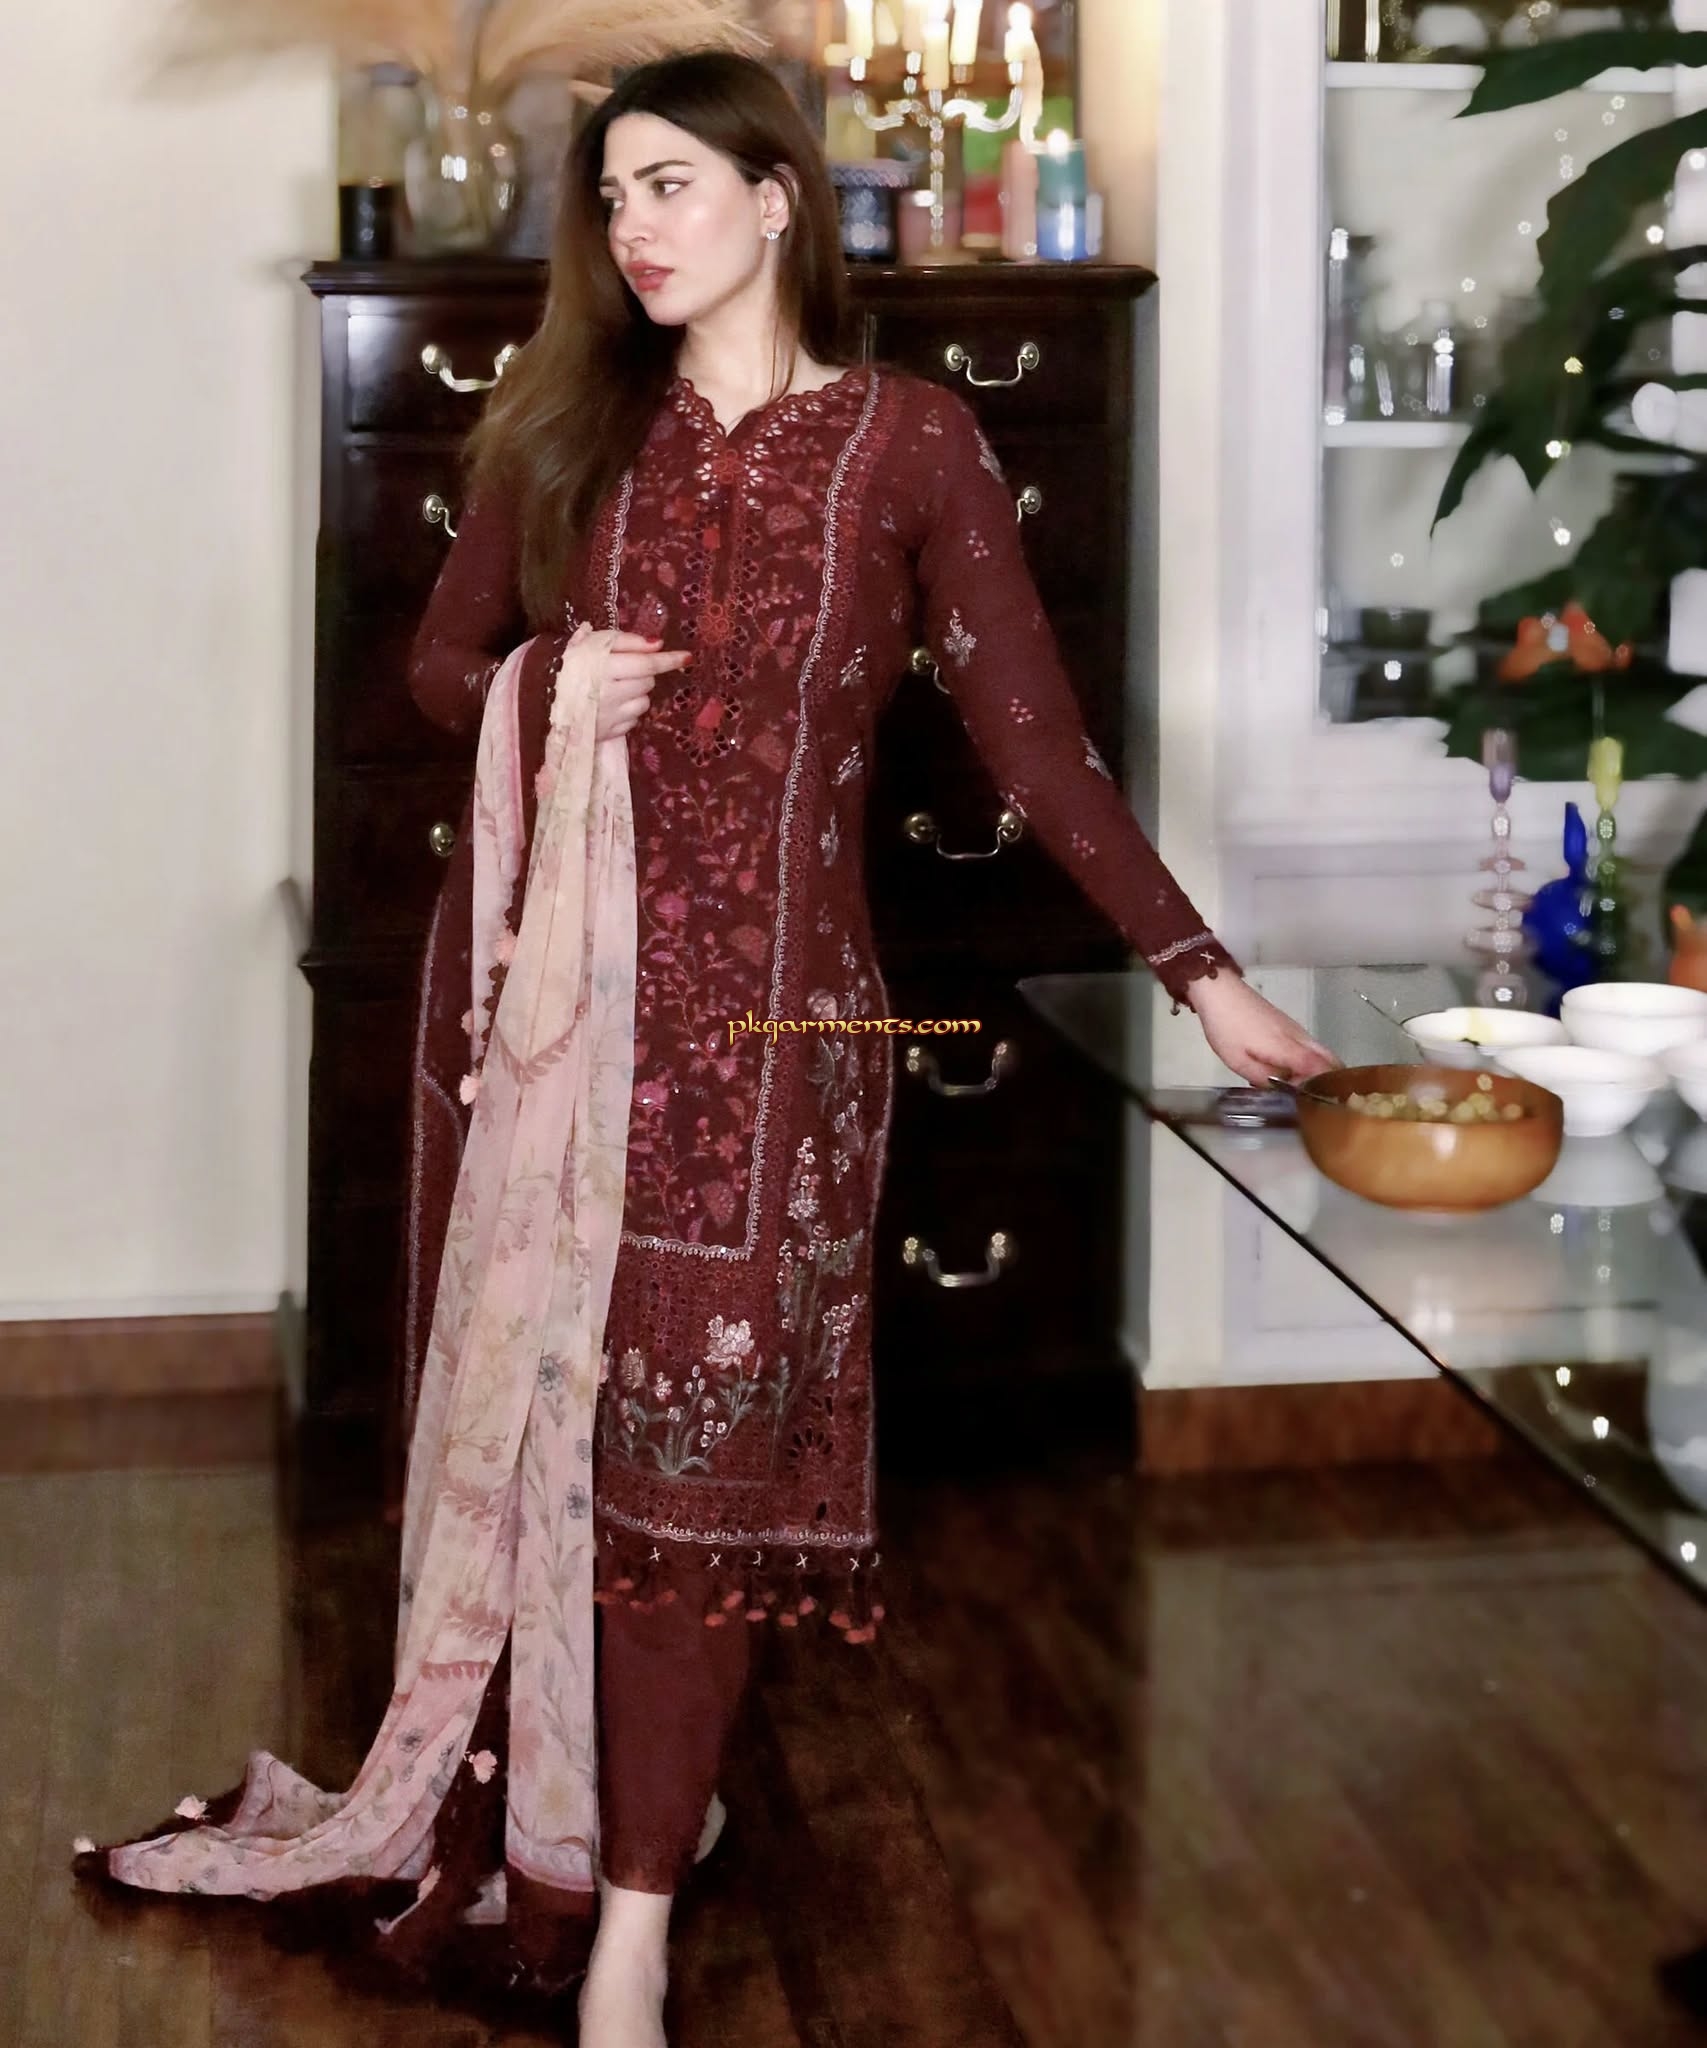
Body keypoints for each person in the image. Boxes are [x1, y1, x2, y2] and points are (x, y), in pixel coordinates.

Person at [74, 48, 1334, 2048]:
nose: (634, 229)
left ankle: (635, 1935)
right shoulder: (569, 424)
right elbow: (431, 667)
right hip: (563, 1037)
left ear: (776, 196)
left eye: (670, 184)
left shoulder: (909, 444)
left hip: (776, 1057)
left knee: (698, 1486)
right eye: (613, 197)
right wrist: (547, 685)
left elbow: (1035, 746)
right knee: (570, 1465)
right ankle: (585, 1836)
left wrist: (1202, 975)